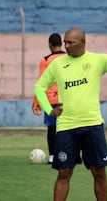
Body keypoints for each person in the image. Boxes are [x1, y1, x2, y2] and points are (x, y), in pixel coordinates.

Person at [34, 27, 107, 201]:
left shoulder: (97, 60)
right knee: (64, 172)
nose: (66, 46)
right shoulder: (57, 64)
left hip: (92, 125)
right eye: (65, 42)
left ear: (83, 42)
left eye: (70, 42)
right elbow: (39, 87)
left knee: (99, 172)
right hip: (66, 127)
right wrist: (49, 109)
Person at [32, 33, 65, 164]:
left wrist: (36, 103)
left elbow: (40, 82)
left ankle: (52, 156)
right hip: (66, 99)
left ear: (49, 45)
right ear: (62, 44)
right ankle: (70, 155)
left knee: (52, 129)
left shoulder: (45, 60)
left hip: (50, 100)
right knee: (68, 129)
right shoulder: (68, 58)